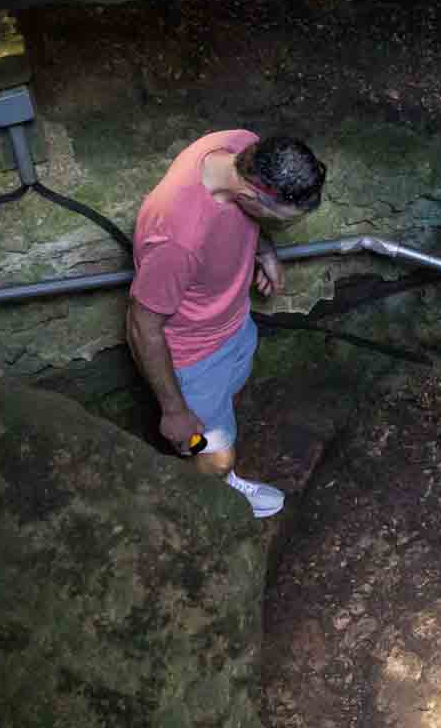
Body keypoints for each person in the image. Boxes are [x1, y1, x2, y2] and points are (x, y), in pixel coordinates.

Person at [127, 128, 326, 517]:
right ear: (253, 195)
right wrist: (175, 411)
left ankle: (211, 468)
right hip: (193, 362)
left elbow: (249, 217)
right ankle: (209, 503)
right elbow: (141, 326)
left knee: (230, 395)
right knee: (212, 454)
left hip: (232, 325)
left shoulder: (239, 146)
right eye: (283, 222)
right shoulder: (177, 239)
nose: (284, 228)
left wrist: (264, 249)